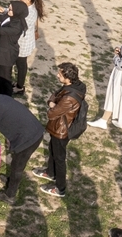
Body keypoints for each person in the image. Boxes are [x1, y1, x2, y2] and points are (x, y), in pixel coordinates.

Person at [0, 85, 45, 204]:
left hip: (28, 140)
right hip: (35, 129)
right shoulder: (2, 98)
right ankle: (10, 180)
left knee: (17, 167)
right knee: (15, 164)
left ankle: (10, 195)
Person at [35, 62, 86, 198]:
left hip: (61, 130)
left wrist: (52, 104)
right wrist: (53, 101)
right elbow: (55, 94)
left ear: (68, 77)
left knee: (59, 158)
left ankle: (60, 188)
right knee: (52, 150)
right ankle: (50, 172)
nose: (57, 75)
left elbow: (52, 113)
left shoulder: (69, 98)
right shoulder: (78, 86)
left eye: (60, 74)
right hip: (58, 127)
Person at [0, 0, 28, 96]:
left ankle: (6, 96)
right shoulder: (10, 17)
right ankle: (3, 94)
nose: (7, 10)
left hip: (7, 54)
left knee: (5, 78)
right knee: (2, 76)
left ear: (17, 12)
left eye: (10, 9)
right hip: (4, 51)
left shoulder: (16, 26)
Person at [15, 0, 43, 95]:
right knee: (20, 63)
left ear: (29, 0)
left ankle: (19, 87)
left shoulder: (29, 13)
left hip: (23, 43)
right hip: (23, 40)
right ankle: (18, 84)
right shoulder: (28, 7)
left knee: (21, 64)